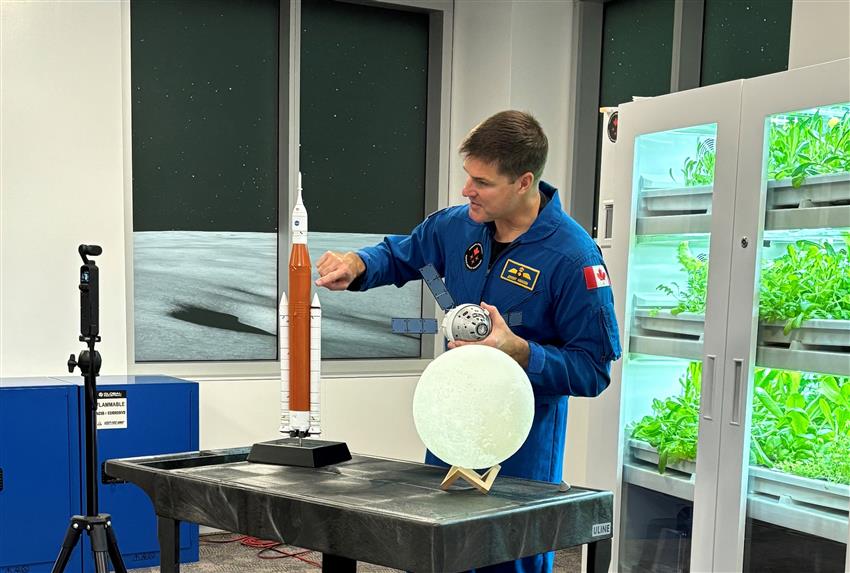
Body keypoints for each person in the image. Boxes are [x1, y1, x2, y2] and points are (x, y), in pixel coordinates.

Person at [315, 110, 621, 573]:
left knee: (506, 555)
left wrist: (519, 351)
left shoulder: (574, 257)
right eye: (467, 177)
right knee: (439, 550)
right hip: (451, 421)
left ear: (523, 182)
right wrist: (358, 263)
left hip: (522, 438)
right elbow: (402, 253)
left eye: (482, 181)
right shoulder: (455, 226)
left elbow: (592, 370)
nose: (466, 191)